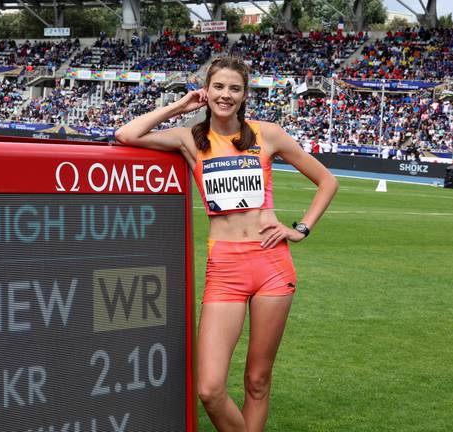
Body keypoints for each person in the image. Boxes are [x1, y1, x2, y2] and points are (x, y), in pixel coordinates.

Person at [115, 57, 338, 431]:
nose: (226, 95)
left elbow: (327, 181)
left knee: (257, 380)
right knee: (210, 388)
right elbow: (127, 134)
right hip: (225, 269)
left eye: (235, 88)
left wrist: (300, 228)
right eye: (218, 87)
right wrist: (180, 106)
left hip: (272, 266)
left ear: (245, 94)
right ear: (207, 90)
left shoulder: (268, 133)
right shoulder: (190, 138)